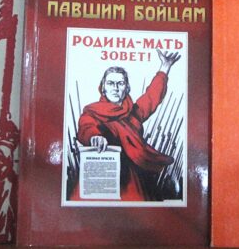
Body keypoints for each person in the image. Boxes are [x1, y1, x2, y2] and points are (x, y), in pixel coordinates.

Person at [74, 49, 180, 201]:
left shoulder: (133, 113)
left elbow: (152, 96)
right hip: (104, 175)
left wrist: (165, 67)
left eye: (120, 83)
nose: (115, 88)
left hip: (135, 178)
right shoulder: (92, 112)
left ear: (127, 88)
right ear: (103, 88)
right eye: (111, 83)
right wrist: (94, 137)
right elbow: (86, 127)